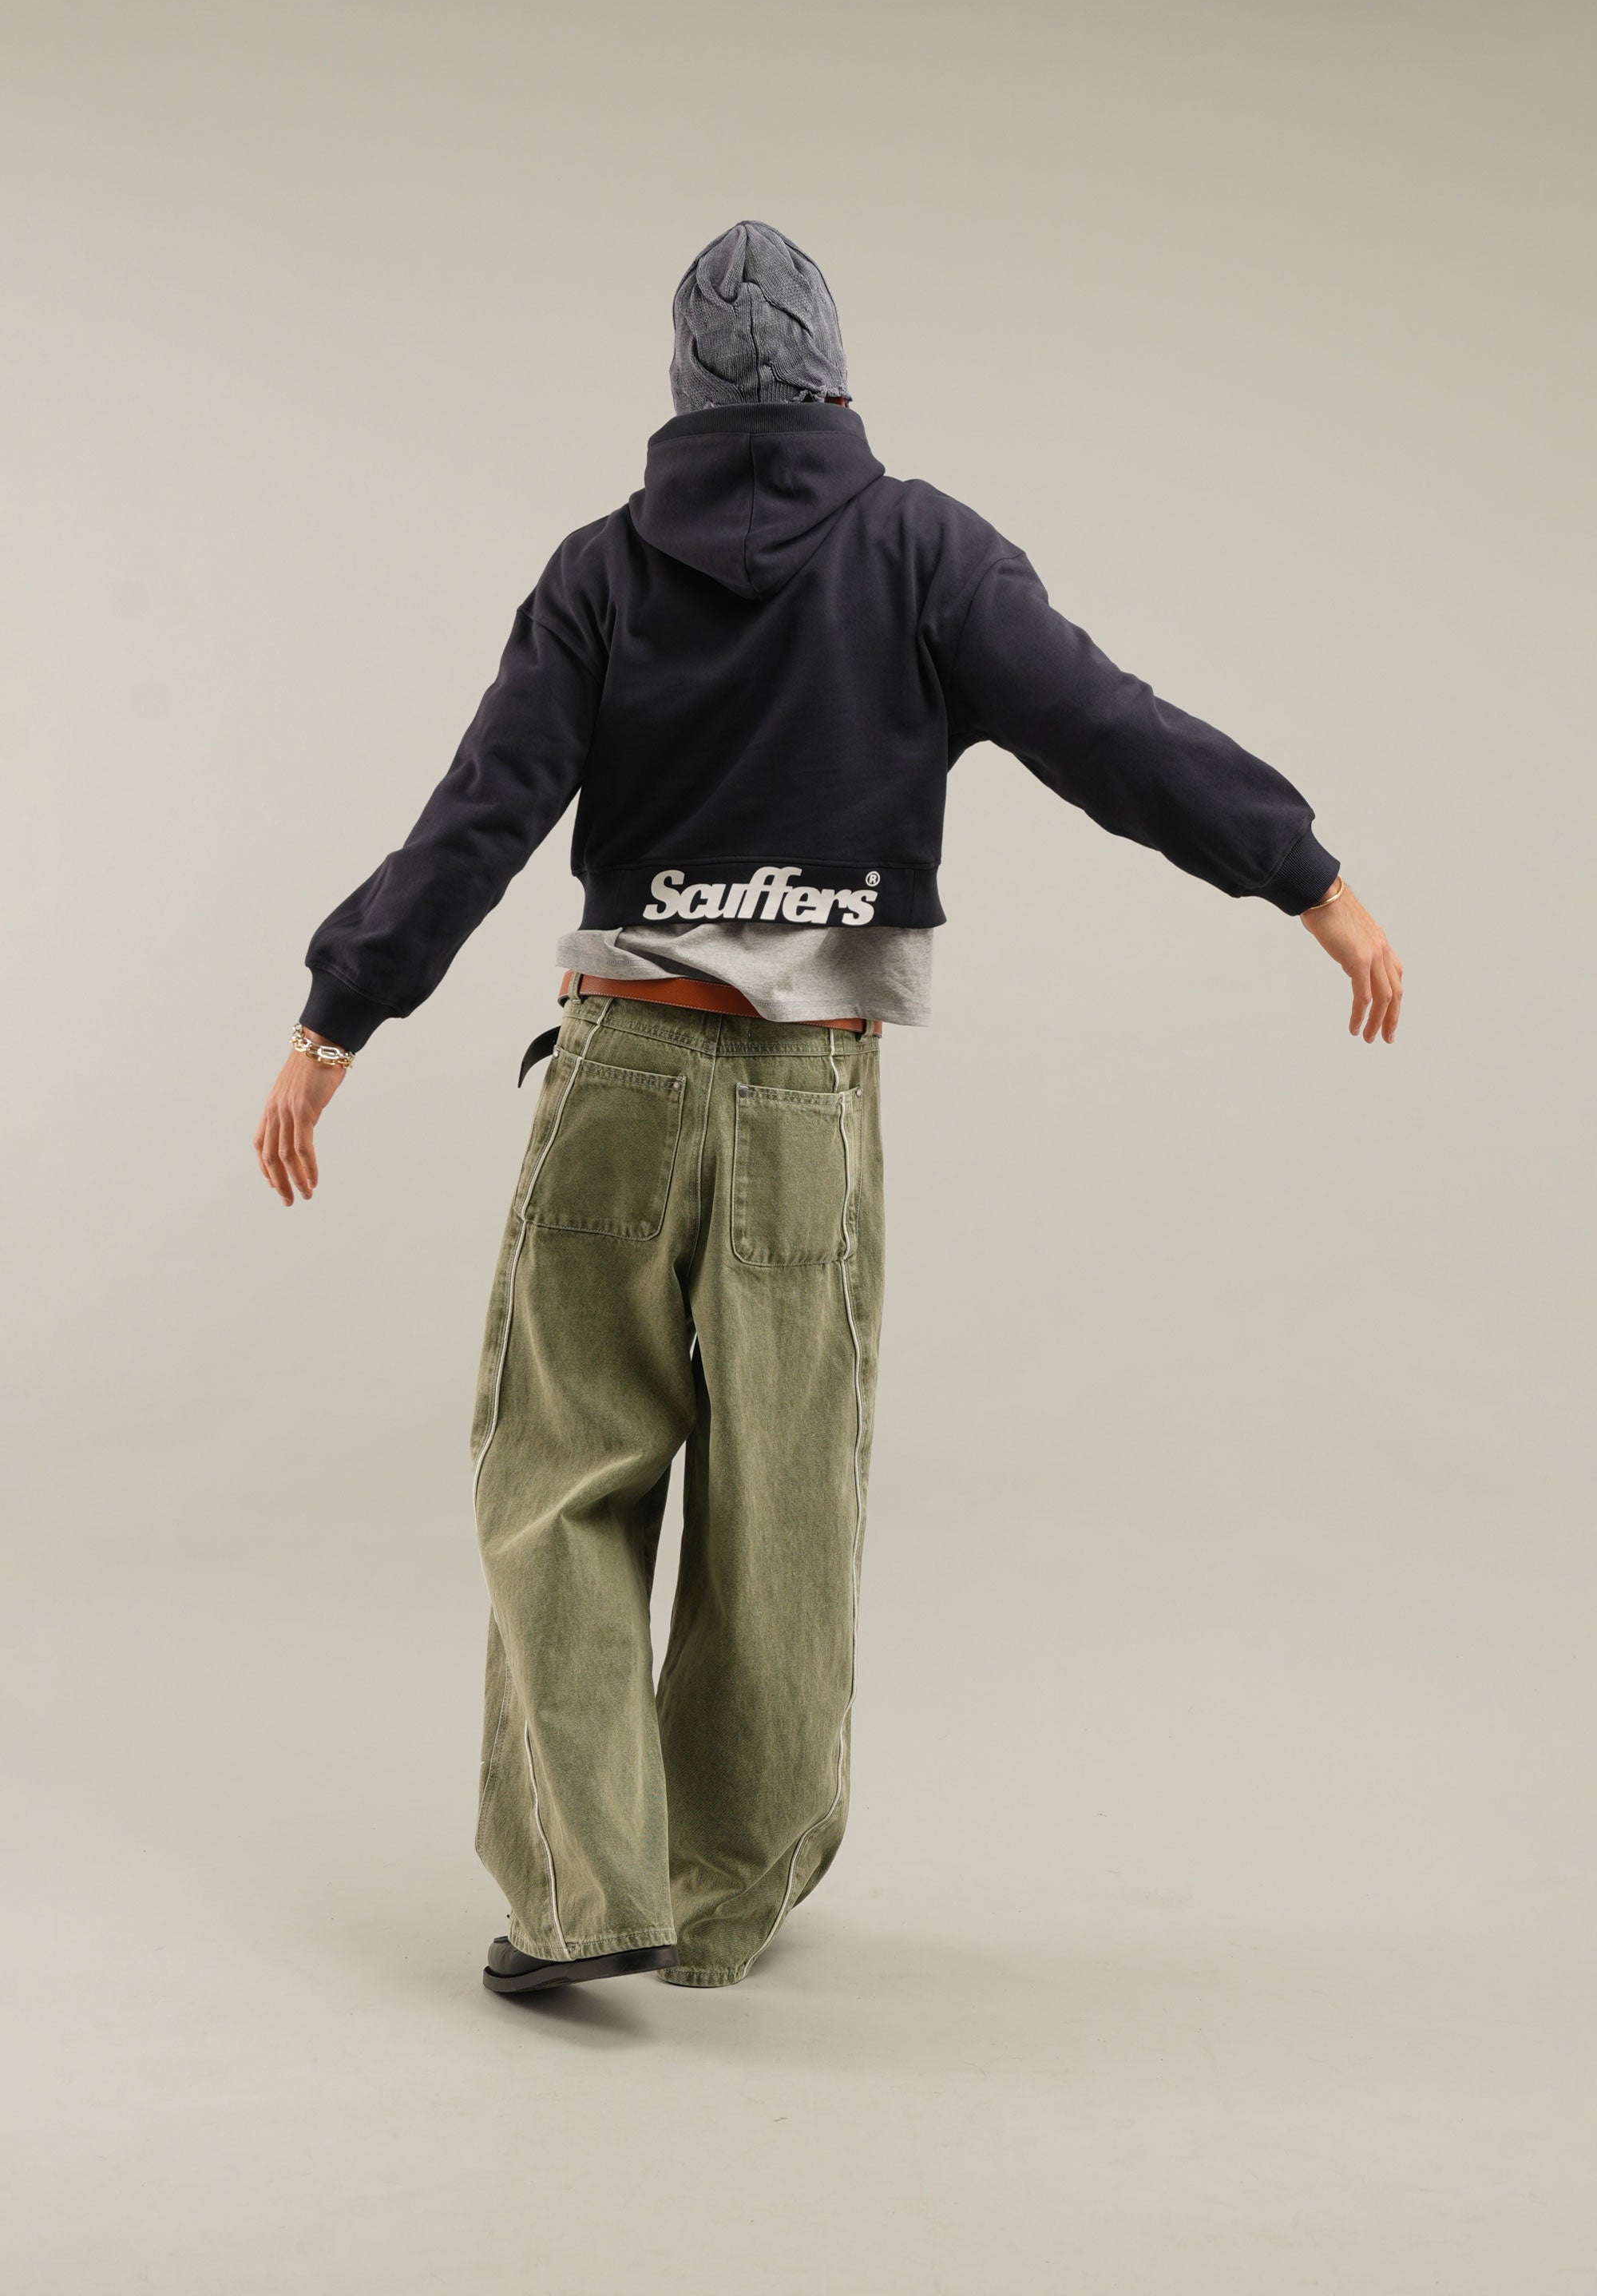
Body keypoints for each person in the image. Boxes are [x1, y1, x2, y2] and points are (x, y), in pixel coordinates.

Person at [255, 220, 1402, 1997]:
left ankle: (583, 1896)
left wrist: (338, 1017)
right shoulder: (921, 552)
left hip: (619, 1073)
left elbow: (482, 814)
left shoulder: (601, 572)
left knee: (559, 1475)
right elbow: (1108, 729)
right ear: (839, 380)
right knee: (785, 1504)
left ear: (680, 394)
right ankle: (716, 1901)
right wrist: (1304, 876)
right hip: (810, 1097)